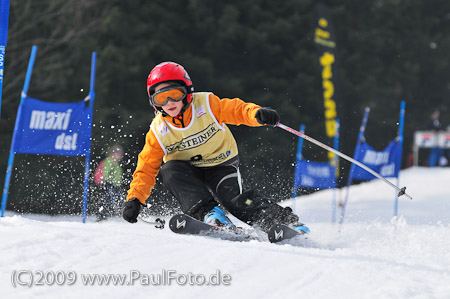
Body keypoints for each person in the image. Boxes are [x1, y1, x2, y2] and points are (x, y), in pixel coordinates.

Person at [122, 61, 309, 234]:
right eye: (161, 98)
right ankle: (210, 215)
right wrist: (135, 199)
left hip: (220, 163)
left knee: (235, 200)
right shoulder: (158, 131)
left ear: (187, 92)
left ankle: (284, 222)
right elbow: (146, 167)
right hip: (188, 171)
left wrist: (256, 114)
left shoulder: (206, 104)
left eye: (175, 94)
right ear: (153, 102)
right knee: (168, 170)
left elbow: (236, 110)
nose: (169, 102)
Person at [96, 144, 124, 221]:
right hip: (108, 183)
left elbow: (117, 174)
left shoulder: (115, 162)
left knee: (109, 200)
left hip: (113, 184)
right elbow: (106, 172)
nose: (117, 155)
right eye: (116, 153)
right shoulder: (109, 161)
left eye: (119, 153)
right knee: (107, 200)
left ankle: (104, 216)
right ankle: (102, 216)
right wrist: (108, 181)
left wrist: (117, 183)